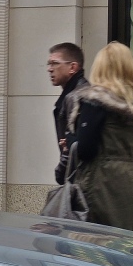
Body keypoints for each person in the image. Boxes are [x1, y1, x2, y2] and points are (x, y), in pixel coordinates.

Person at [67, 41, 133, 234]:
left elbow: (86, 150)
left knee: (100, 243)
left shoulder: (94, 101)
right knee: (132, 238)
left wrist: (71, 142)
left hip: (102, 182)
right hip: (132, 179)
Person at [47, 42, 88, 184]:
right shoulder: (73, 95)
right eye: (49, 64)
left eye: (54, 63)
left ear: (72, 67)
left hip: (79, 181)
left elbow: (75, 147)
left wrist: (61, 173)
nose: (49, 69)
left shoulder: (77, 97)